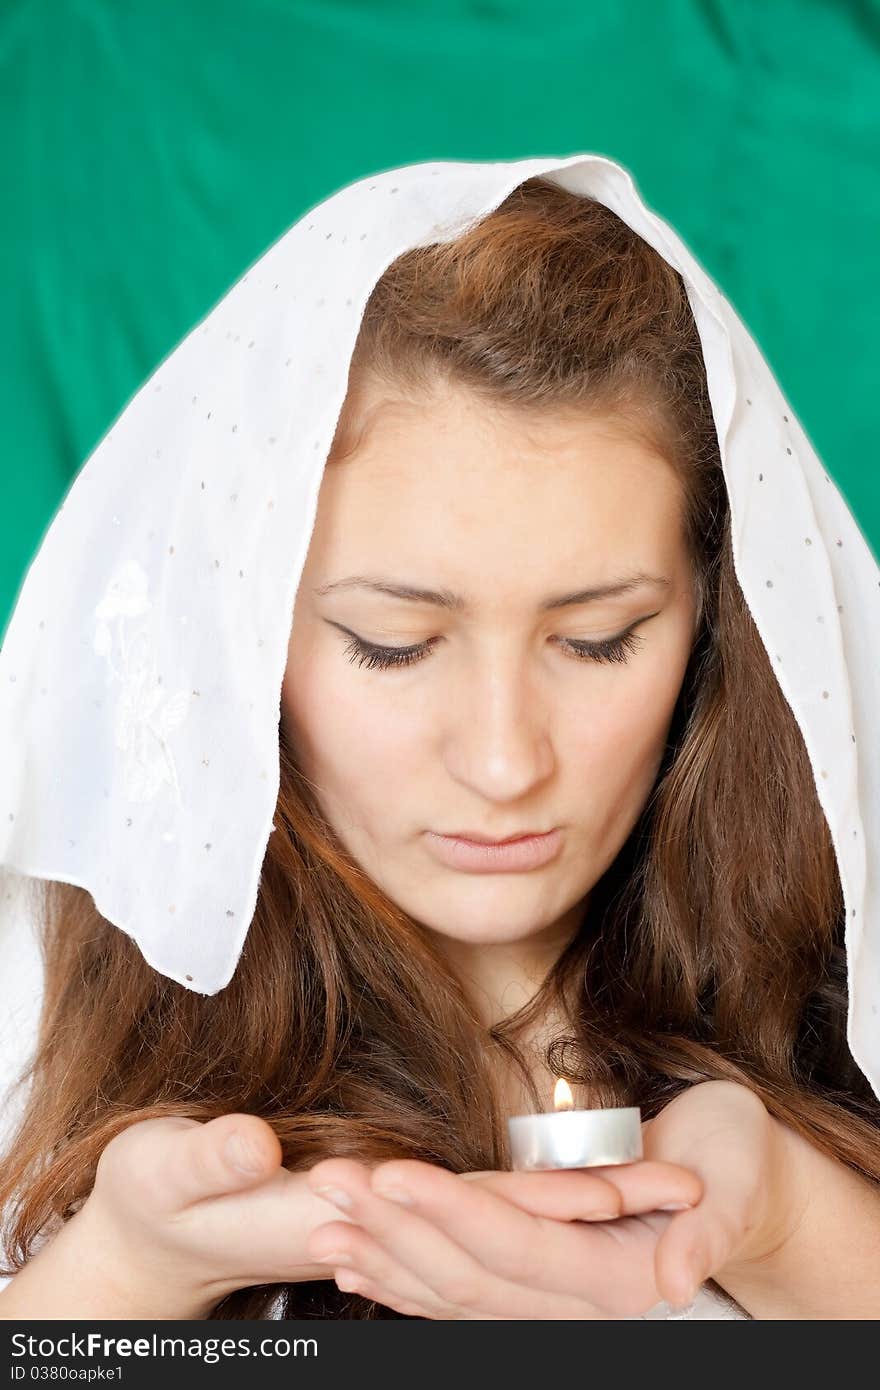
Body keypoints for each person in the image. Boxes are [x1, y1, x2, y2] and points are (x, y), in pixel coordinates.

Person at [1, 155, 879, 1321]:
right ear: (240, 638)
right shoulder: (42, 996)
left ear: (721, 611)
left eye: (601, 639)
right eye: (393, 644)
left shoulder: (839, 979)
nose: (507, 763)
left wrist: (792, 1227)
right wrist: (120, 1274)